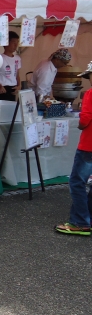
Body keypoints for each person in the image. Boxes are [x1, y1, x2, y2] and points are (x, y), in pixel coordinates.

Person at [55, 62, 92, 236]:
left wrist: (80, 125)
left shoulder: (90, 93)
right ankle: (87, 217)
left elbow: (85, 119)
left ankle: (80, 221)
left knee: (77, 182)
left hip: (88, 146)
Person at [0, 31, 21, 101]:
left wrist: (19, 85)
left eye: (17, 42)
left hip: (13, 90)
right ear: (6, 43)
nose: (16, 45)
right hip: (3, 89)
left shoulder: (18, 58)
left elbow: (17, 74)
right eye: (13, 42)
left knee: (12, 111)